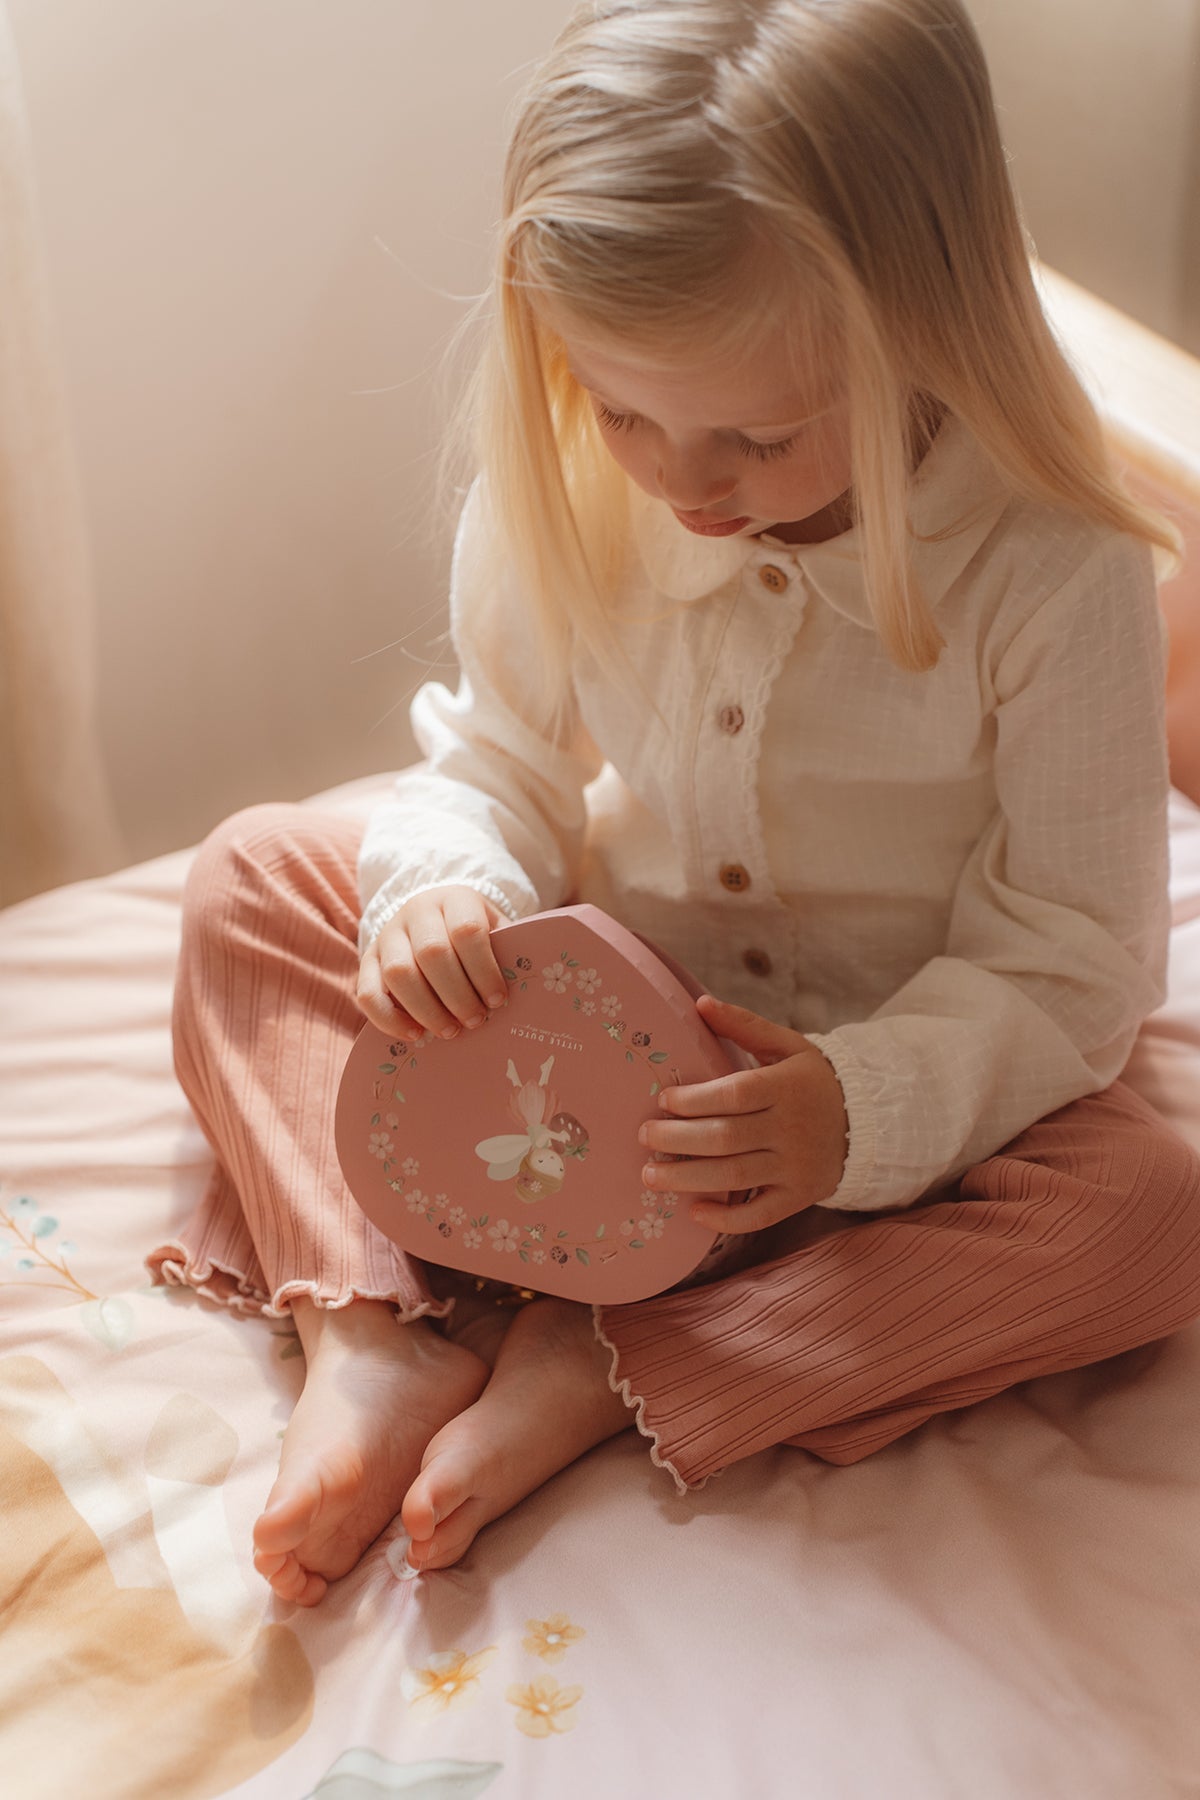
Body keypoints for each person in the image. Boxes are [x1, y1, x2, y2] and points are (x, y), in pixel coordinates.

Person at [149, 0, 1200, 1609]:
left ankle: (613, 1356)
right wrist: (450, 894)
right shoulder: (578, 467)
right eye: (625, 406)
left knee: (1148, 1215)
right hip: (585, 1042)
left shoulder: (1056, 567)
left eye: (758, 436)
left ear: (925, 327)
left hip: (877, 1088)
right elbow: (496, 766)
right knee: (252, 877)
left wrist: (855, 1110)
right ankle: (367, 1337)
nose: (679, 479)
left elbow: (1077, 955)